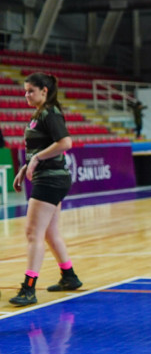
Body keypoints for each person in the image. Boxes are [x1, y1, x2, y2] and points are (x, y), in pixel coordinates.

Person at [9, 73, 82, 306]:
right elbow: (38, 149)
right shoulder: (40, 114)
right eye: (25, 90)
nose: (26, 94)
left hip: (50, 180)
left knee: (33, 233)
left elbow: (65, 143)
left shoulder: (50, 113)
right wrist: (24, 167)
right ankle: (69, 276)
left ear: (44, 91)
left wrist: (37, 159)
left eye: (31, 90)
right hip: (50, 178)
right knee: (50, 233)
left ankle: (28, 289)